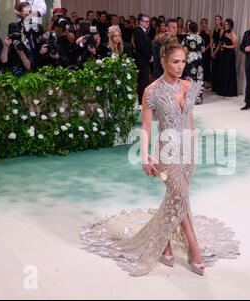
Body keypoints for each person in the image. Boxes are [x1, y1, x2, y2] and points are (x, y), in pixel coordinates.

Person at [79, 33, 239, 276]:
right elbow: (145, 127)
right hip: (168, 150)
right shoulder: (151, 91)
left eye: (183, 61)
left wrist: (195, 142)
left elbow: (190, 120)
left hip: (188, 150)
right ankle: (194, 247)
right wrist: (144, 157)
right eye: (175, 61)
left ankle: (165, 242)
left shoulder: (187, 85)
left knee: (177, 198)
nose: (180, 66)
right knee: (181, 196)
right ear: (164, 61)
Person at [181, 22, 205, 104]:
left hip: (190, 59)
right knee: (199, 77)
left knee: (189, 77)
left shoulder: (186, 39)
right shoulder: (200, 38)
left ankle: (189, 98)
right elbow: (203, 50)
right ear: (197, 28)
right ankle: (198, 98)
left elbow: (184, 51)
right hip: (198, 58)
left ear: (189, 29)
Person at [214, 18, 238, 97]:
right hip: (222, 54)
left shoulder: (233, 34)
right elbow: (219, 43)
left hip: (229, 55)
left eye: (227, 24)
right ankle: (221, 89)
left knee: (228, 72)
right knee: (221, 71)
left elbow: (235, 46)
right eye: (225, 24)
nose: (226, 26)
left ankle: (228, 91)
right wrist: (215, 52)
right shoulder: (222, 32)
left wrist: (225, 46)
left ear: (231, 25)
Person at [133, 14, 152, 105]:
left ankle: (143, 102)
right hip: (141, 61)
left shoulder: (143, 31)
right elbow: (141, 47)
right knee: (143, 83)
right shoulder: (138, 31)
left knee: (145, 82)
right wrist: (150, 56)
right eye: (145, 21)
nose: (147, 23)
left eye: (148, 21)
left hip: (144, 60)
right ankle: (142, 103)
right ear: (140, 22)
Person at [211, 15, 223, 93]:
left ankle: (219, 87)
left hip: (219, 51)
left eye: (218, 19)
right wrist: (212, 51)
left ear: (221, 21)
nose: (216, 21)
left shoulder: (222, 30)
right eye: (215, 19)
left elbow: (220, 43)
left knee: (219, 69)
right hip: (214, 50)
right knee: (214, 69)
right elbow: (211, 41)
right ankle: (214, 87)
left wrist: (215, 52)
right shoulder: (214, 29)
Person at [199, 18, 212, 85]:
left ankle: (206, 81)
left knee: (206, 66)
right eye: (202, 23)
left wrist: (206, 49)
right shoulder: (199, 31)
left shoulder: (209, 31)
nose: (204, 24)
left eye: (205, 23)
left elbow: (211, 42)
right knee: (201, 66)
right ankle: (201, 81)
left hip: (207, 51)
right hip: (200, 51)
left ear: (207, 24)